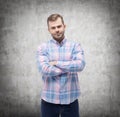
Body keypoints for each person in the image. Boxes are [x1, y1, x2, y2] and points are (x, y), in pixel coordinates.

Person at [36, 13, 85, 117]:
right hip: (49, 101)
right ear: (49, 30)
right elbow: (44, 69)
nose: (57, 30)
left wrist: (56, 63)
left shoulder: (75, 46)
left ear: (64, 26)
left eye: (59, 26)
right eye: (53, 28)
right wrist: (69, 67)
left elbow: (80, 65)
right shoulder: (42, 48)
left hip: (71, 101)